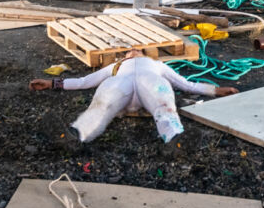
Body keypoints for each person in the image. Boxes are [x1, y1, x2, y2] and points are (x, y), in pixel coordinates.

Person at [29, 49, 238, 144]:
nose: (133, 51)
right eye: (130, 51)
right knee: (101, 105)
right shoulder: (115, 67)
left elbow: (185, 84)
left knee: (164, 102)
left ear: (146, 54)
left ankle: (175, 140)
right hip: (121, 85)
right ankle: (75, 136)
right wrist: (52, 83)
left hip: (150, 82)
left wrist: (216, 90)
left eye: (138, 50)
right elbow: (85, 81)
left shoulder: (157, 65)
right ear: (125, 56)